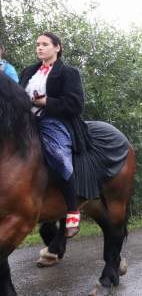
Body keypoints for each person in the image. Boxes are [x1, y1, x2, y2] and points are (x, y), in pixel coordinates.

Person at [19, 32, 84, 238]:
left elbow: (75, 104)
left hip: (54, 122)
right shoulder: (29, 71)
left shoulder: (68, 72)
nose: (39, 48)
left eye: (45, 44)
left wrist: (47, 102)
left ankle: (73, 212)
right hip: (26, 122)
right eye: (37, 44)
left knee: (60, 158)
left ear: (57, 47)